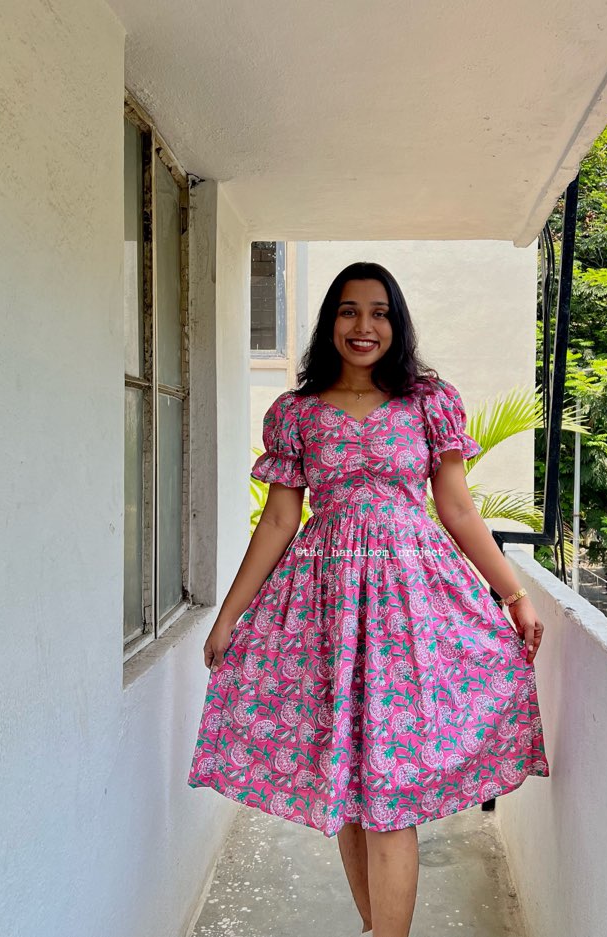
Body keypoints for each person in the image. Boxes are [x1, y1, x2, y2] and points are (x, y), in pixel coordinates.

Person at [188, 262, 550, 937]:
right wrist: (229, 615)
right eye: (349, 311)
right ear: (331, 321)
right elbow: (278, 520)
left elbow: (457, 508)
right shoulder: (295, 413)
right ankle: (372, 926)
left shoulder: (428, 401)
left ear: (396, 323)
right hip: (325, 610)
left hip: (411, 607)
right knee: (352, 795)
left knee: (390, 798)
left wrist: (514, 594)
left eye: (379, 312)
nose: (364, 326)